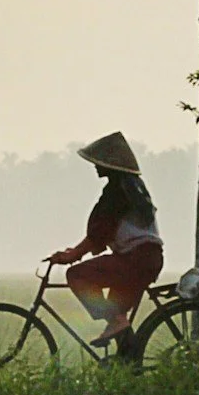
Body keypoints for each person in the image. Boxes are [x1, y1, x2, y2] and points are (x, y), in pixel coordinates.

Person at [47, 131, 164, 358]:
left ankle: (118, 323)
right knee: (116, 315)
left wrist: (72, 257)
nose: (95, 166)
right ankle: (129, 367)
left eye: (99, 162)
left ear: (110, 164)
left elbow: (100, 232)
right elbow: (101, 232)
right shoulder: (131, 187)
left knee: (77, 276)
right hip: (147, 258)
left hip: (134, 259)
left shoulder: (118, 191)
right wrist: (77, 250)